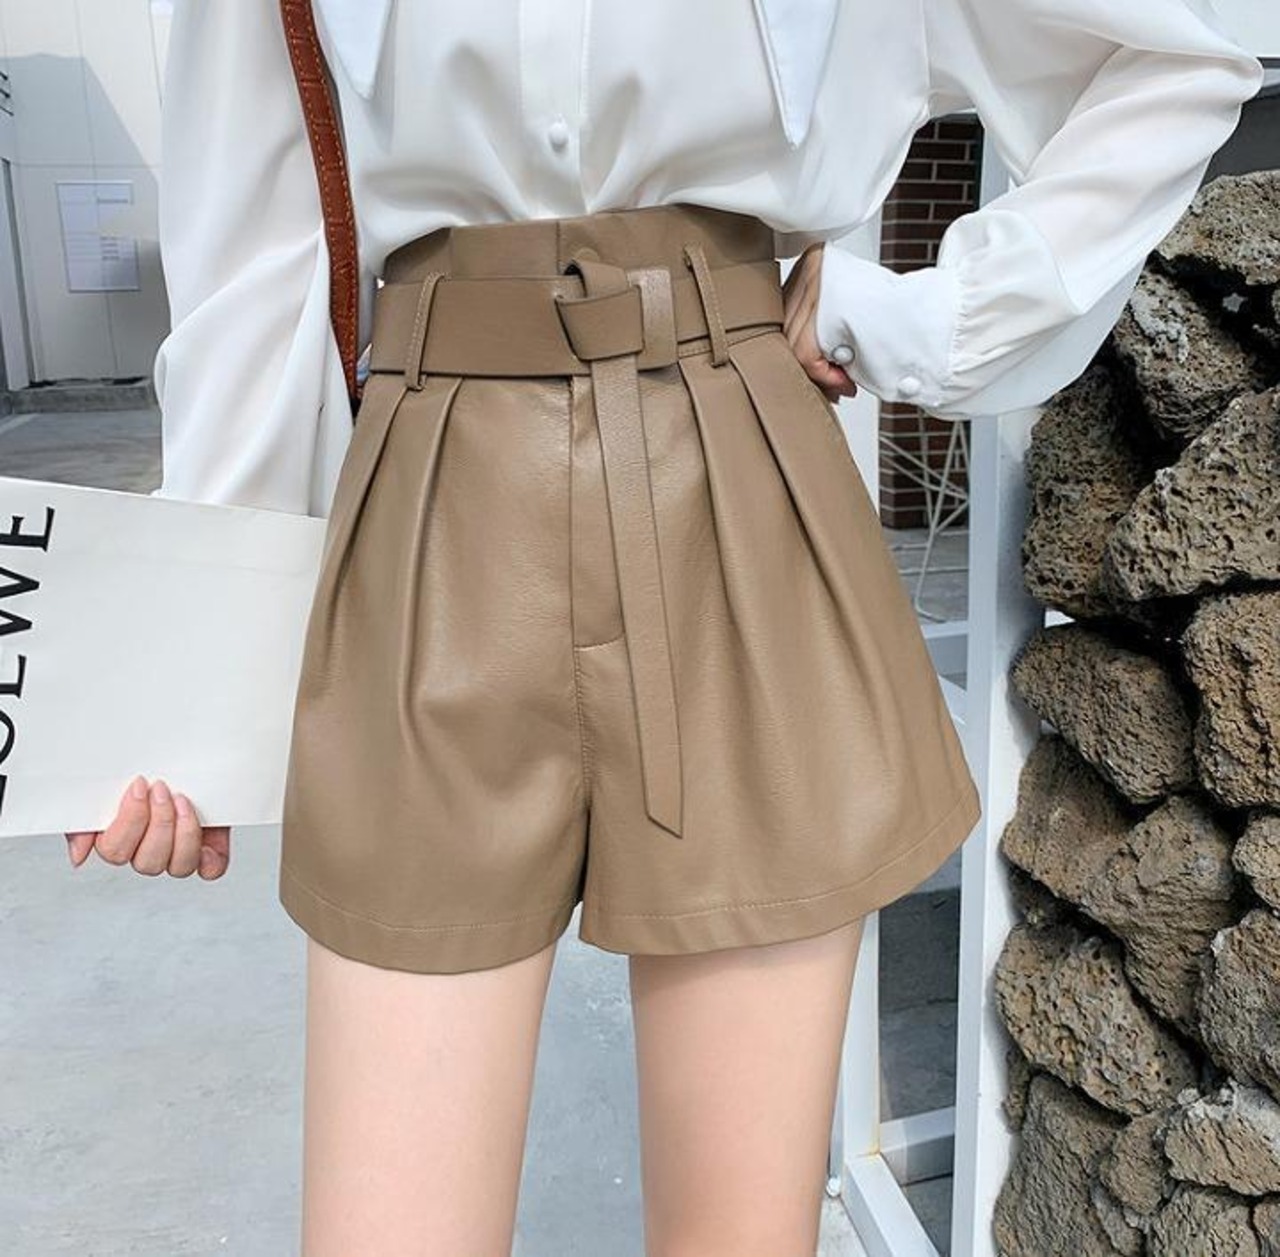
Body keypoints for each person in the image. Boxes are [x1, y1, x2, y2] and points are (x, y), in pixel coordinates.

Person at [65, 2, 1264, 1253]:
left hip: (739, 494)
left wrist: (923, 316)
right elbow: (253, 256)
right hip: (433, 512)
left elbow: (1166, 62)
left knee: (737, 1236)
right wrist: (194, 668)